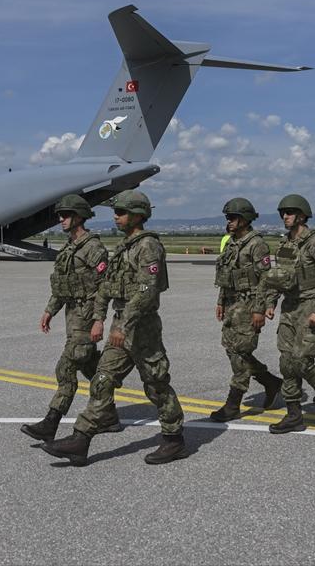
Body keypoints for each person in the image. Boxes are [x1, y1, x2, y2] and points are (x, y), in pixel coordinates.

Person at [42, 190, 188, 466]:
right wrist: (99, 318)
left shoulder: (148, 247)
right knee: (102, 380)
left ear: (137, 215)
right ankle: (80, 439)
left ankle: (174, 439)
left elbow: (146, 292)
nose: (116, 217)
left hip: (142, 327)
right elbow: (106, 288)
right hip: (122, 324)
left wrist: (124, 324)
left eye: (121, 212)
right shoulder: (124, 248)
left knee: (156, 385)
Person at [21, 194, 120, 443]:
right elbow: (62, 286)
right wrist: (49, 310)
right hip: (72, 315)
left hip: (86, 315)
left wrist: (99, 319)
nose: (61, 219)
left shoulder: (93, 249)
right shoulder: (67, 248)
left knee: (65, 368)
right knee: (89, 366)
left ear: (79, 217)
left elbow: (103, 288)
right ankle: (108, 415)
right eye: (60, 215)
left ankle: (50, 422)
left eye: (65, 215)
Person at [262, 194, 315, 433]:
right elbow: (278, 277)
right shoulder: (285, 244)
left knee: (303, 361)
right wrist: (270, 302)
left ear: (300, 215)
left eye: (288, 213)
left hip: (310, 305)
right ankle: (294, 414)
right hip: (289, 307)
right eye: (282, 213)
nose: (284, 217)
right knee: (287, 362)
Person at [209, 198, 282, 423]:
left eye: (232, 218)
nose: (228, 222)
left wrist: (262, 309)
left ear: (244, 220)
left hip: (250, 305)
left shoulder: (256, 245)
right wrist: (221, 301)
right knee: (232, 349)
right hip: (232, 305)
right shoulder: (231, 243)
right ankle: (270, 381)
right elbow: (226, 276)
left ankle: (233, 404)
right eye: (227, 218)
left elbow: (266, 280)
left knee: (240, 354)